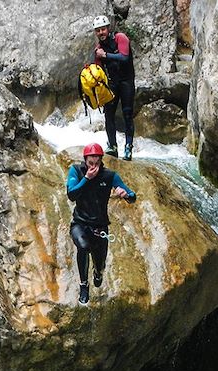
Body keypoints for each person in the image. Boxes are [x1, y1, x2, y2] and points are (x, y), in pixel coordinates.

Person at [66, 143, 137, 305]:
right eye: (91, 163)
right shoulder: (76, 171)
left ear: (101, 161)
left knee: (100, 263)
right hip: (80, 223)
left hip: (100, 227)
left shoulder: (109, 176)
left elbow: (133, 196)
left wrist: (125, 194)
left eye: (97, 163)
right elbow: (72, 194)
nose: (94, 167)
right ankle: (84, 285)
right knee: (83, 247)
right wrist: (86, 179)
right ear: (85, 161)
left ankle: (98, 273)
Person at [92, 15, 136, 161]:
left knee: (127, 114)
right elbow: (98, 69)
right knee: (108, 114)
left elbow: (124, 57)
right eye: (98, 31)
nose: (101, 33)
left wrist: (106, 55)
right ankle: (112, 146)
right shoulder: (99, 49)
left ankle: (128, 147)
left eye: (103, 29)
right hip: (112, 83)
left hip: (126, 81)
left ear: (108, 28)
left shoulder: (120, 38)